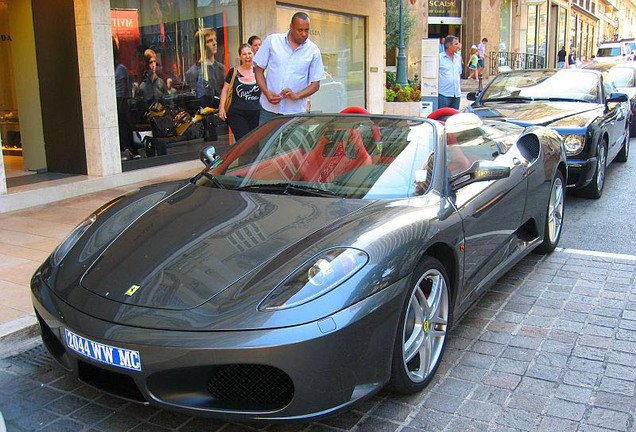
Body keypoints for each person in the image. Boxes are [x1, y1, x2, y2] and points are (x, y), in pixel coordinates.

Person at [253, 12, 326, 125]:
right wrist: (266, 92)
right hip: (269, 109)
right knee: (266, 143)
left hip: (296, 112)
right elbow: (258, 70)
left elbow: (315, 84)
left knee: (295, 143)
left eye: (307, 30)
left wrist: (297, 95)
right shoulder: (272, 41)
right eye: (300, 30)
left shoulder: (313, 50)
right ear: (291, 27)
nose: (304, 34)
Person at [219, 44, 262, 141]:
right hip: (237, 114)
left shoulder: (258, 72)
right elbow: (225, 90)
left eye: (249, 53)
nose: (247, 56)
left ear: (253, 54)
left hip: (256, 113)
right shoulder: (233, 72)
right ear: (240, 56)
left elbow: (265, 90)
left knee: (255, 142)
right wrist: (221, 108)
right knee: (243, 141)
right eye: (244, 54)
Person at [185, 28, 226, 108]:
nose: (214, 43)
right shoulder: (193, 72)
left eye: (215, 39)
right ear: (202, 45)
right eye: (209, 41)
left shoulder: (222, 68)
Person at [114, 40, 140, 160]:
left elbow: (125, 89)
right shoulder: (115, 69)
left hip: (121, 101)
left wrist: (124, 102)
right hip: (115, 100)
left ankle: (127, 150)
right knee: (122, 126)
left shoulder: (120, 69)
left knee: (124, 126)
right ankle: (127, 149)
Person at [438, 35, 462, 110]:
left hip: (456, 94)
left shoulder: (458, 58)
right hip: (444, 95)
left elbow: (459, 73)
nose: (458, 46)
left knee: (454, 119)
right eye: (456, 44)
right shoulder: (439, 58)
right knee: (442, 119)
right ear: (449, 46)